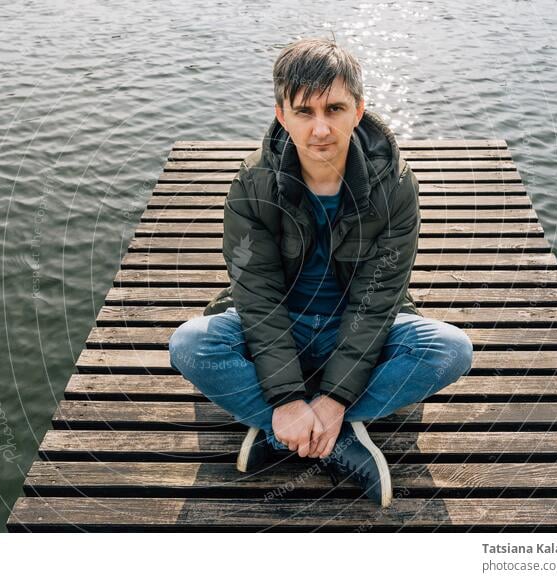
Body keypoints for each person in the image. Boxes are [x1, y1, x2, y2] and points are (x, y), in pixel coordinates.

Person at [168, 38, 473, 507]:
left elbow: (377, 300)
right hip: (279, 320)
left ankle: (298, 429)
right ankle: (324, 434)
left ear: (359, 110)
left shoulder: (395, 185)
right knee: (190, 344)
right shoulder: (252, 184)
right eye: (305, 112)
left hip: (355, 323)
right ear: (281, 115)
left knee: (450, 350)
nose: (321, 128)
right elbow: (257, 297)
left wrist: (331, 399)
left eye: (335, 108)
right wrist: (289, 396)